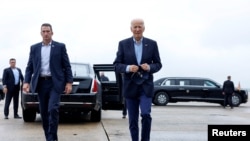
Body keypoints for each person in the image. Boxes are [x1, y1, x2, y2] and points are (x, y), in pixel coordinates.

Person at [113, 18, 162, 141]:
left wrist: (149, 67)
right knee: (133, 119)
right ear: (131, 29)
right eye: (135, 27)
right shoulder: (123, 44)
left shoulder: (152, 44)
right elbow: (117, 65)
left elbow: (158, 64)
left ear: (144, 28)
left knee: (146, 114)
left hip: (145, 86)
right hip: (130, 86)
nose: (137, 29)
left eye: (140, 26)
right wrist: (129, 68)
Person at [22, 23, 73, 141]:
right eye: (43, 31)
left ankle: (51, 139)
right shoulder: (34, 48)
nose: (46, 33)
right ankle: (50, 138)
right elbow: (30, 67)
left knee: (53, 109)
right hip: (41, 84)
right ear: (41, 33)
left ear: (52, 33)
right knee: (44, 113)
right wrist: (26, 81)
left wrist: (69, 82)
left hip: (55, 83)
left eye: (48, 31)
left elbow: (67, 66)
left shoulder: (60, 47)